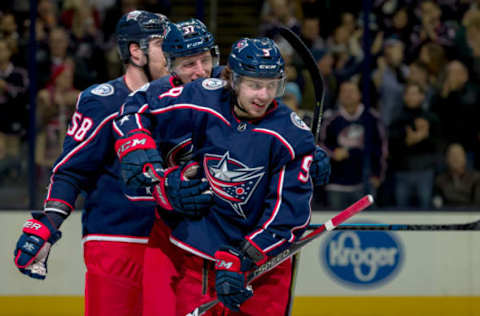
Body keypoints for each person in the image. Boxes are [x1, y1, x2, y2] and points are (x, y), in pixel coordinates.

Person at [12, 11, 209, 316]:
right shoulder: (104, 101)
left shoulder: (185, 99)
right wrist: (48, 223)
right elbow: (71, 169)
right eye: (160, 43)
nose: (170, 50)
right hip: (117, 241)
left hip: (176, 244)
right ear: (136, 51)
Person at [113, 37, 316, 315]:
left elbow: (287, 218)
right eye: (255, 85)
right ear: (232, 79)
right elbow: (139, 104)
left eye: (272, 85)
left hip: (261, 266)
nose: (264, 96)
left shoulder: (292, 136)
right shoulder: (204, 96)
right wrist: (135, 144)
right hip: (198, 257)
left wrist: (245, 256)